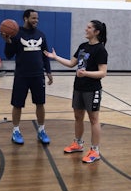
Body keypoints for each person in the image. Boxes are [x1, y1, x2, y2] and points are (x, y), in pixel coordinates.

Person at [44, 20, 108, 163]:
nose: (86, 29)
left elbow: (103, 73)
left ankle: (95, 151)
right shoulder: (82, 46)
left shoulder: (100, 50)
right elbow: (71, 64)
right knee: (78, 116)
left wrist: (86, 74)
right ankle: (78, 144)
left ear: (96, 32)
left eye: (89, 27)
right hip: (78, 87)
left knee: (93, 119)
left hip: (92, 89)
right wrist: (55, 57)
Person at [1, 9, 53, 145]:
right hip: (21, 76)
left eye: (37, 18)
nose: (36, 20)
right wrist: (7, 41)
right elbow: (8, 55)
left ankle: (41, 130)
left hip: (38, 76)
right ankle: (16, 131)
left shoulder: (41, 34)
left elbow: (45, 54)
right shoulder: (16, 34)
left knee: (40, 104)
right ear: (25, 18)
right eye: (33, 18)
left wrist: (48, 71)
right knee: (17, 104)